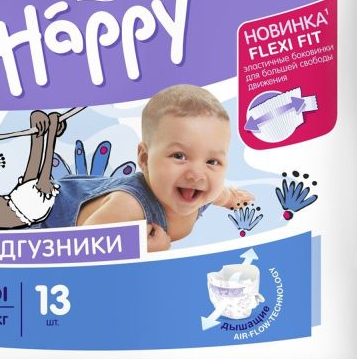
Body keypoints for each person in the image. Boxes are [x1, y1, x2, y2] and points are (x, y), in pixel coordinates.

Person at [37, 85, 253, 252]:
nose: (197, 175)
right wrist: (141, 249)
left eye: (212, 162)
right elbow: (83, 248)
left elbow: (217, 194)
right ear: (144, 158)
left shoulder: (199, 193)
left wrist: (230, 199)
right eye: (179, 156)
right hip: (45, 215)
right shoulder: (130, 208)